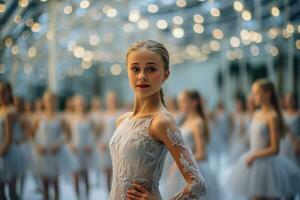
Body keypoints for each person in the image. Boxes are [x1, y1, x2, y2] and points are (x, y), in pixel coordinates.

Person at [109, 40, 206, 200]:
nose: (142, 76)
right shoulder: (122, 120)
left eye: (151, 69)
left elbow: (198, 184)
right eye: (135, 69)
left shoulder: (162, 122)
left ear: (165, 74)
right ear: (127, 71)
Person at [228, 79, 300, 200]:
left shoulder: (272, 116)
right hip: (255, 164)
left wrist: (254, 155)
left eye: (257, 93)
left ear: (268, 93)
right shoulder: (256, 114)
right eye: (253, 93)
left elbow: (275, 149)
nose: (253, 96)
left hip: (268, 165)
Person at [162, 90, 220, 200]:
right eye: (180, 101)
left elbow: (202, 154)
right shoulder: (185, 121)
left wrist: (181, 164)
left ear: (194, 102)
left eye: (184, 101)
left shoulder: (197, 123)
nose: (180, 104)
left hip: (193, 170)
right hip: (183, 170)